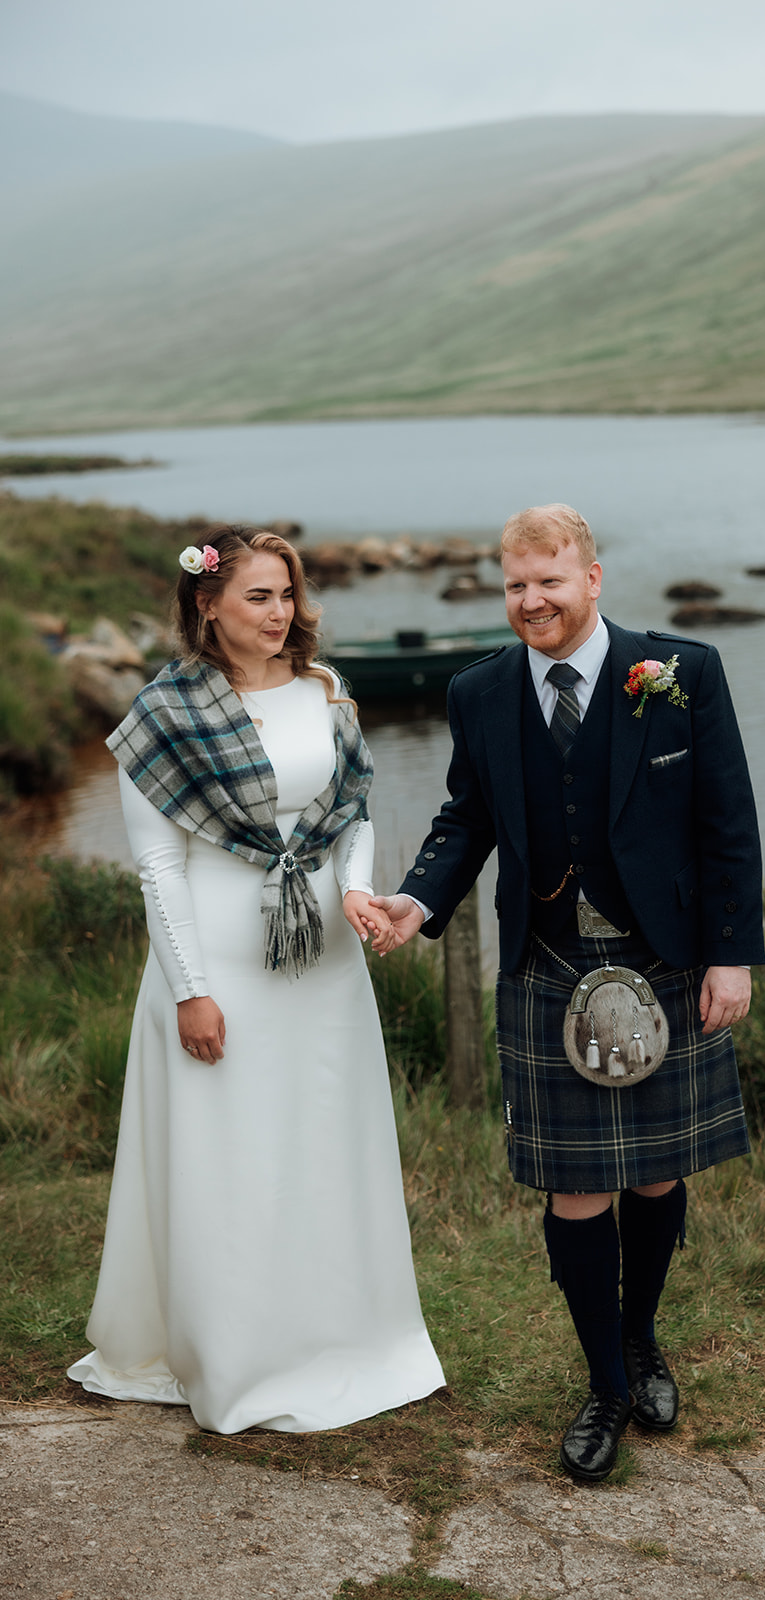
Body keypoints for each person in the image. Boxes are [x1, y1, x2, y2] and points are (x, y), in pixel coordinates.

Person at [371, 503, 763, 1482]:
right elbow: (465, 816)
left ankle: (640, 1338)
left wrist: (731, 954)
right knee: (576, 1184)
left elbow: (727, 820)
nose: (531, 601)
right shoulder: (478, 690)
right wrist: (419, 900)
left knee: (655, 1172)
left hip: (664, 956)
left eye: (549, 580)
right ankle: (603, 1384)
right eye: (514, 586)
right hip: (549, 962)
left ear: (592, 578)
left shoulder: (677, 675)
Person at [68, 525, 444, 1434]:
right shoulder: (164, 715)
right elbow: (159, 871)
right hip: (220, 969)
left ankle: (346, 1334)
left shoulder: (325, 692)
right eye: (258, 598)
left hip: (325, 965)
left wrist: (355, 892)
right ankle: (234, 1353)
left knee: (324, 1144)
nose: (279, 615)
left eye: (286, 596)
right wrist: (190, 989)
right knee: (231, 1158)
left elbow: (354, 812)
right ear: (209, 606)